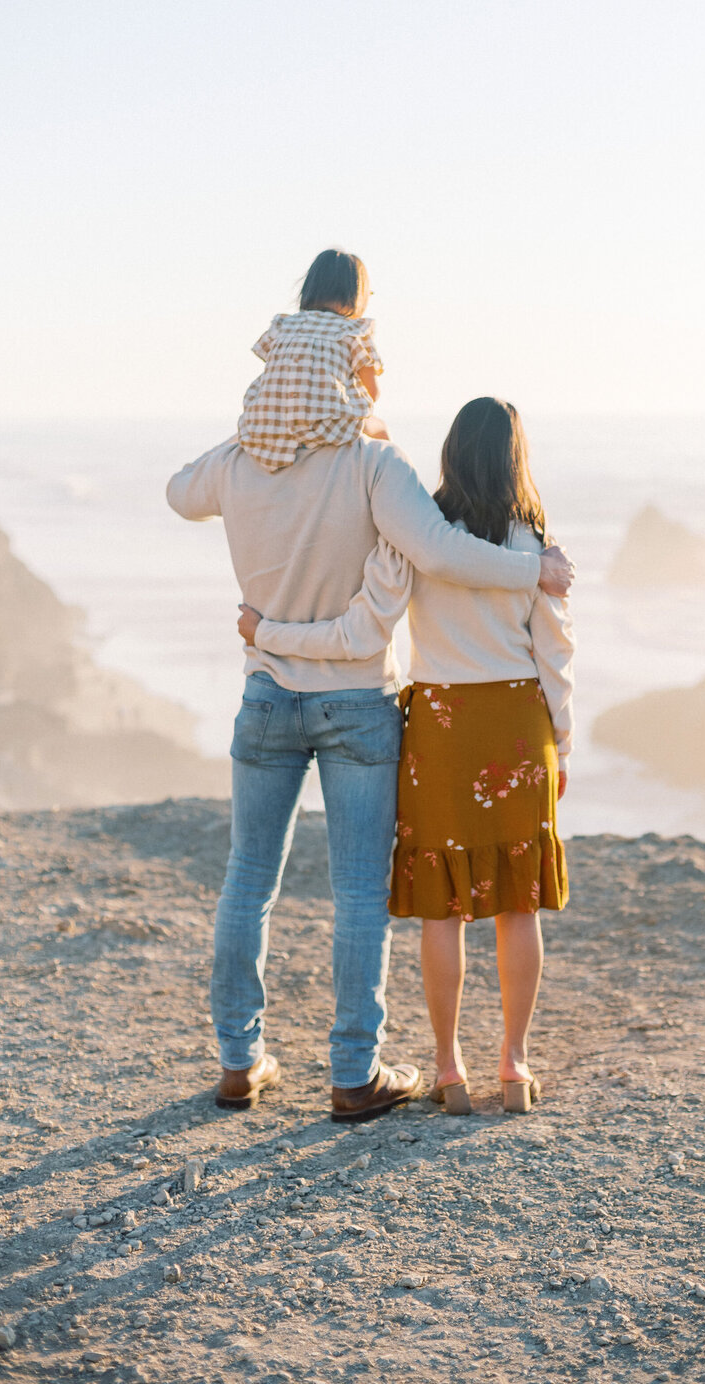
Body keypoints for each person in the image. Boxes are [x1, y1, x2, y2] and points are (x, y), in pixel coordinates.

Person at [167, 278, 574, 1123]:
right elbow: (441, 561)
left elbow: (180, 492)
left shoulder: (243, 460)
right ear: (356, 367)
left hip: (279, 695)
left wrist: (260, 431)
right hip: (365, 704)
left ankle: (242, 1062)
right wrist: (536, 574)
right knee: (369, 893)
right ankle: (359, 1075)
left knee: (251, 880)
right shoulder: (374, 466)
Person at [238, 248, 387, 473]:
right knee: (381, 429)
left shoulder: (283, 325)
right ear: (358, 294)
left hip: (269, 425)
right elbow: (372, 393)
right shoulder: (354, 331)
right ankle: (390, 478)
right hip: (327, 428)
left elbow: (276, 373)